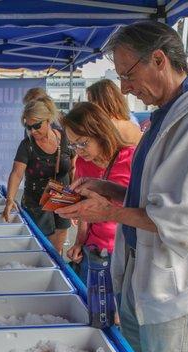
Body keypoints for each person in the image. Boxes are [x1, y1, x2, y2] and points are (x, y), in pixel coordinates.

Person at [56, 21, 188, 352]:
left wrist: (108, 212)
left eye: (128, 74)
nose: (123, 88)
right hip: (142, 280)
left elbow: (184, 219)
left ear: (158, 59)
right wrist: (113, 190)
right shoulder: (165, 116)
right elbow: (158, 197)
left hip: (175, 290)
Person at [61, 102, 134, 281]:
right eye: (73, 145)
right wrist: (79, 242)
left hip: (125, 252)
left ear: (100, 132)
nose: (79, 150)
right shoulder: (83, 163)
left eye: (83, 143)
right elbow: (84, 210)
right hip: (94, 250)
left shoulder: (131, 158)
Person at [3, 99, 73, 254]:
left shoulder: (65, 137)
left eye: (36, 126)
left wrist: (77, 198)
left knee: (58, 246)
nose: (32, 131)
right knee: (40, 248)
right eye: (28, 127)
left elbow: (73, 166)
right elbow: (16, 173)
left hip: (62, 194)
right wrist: (9, 199)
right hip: (36, 200)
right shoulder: (27, 145)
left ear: (48, 120)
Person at [86, 79, 142, 145]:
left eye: (91, 101)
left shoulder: (105, 128)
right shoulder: (133, 125)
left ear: (100, 102)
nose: (90, 106)